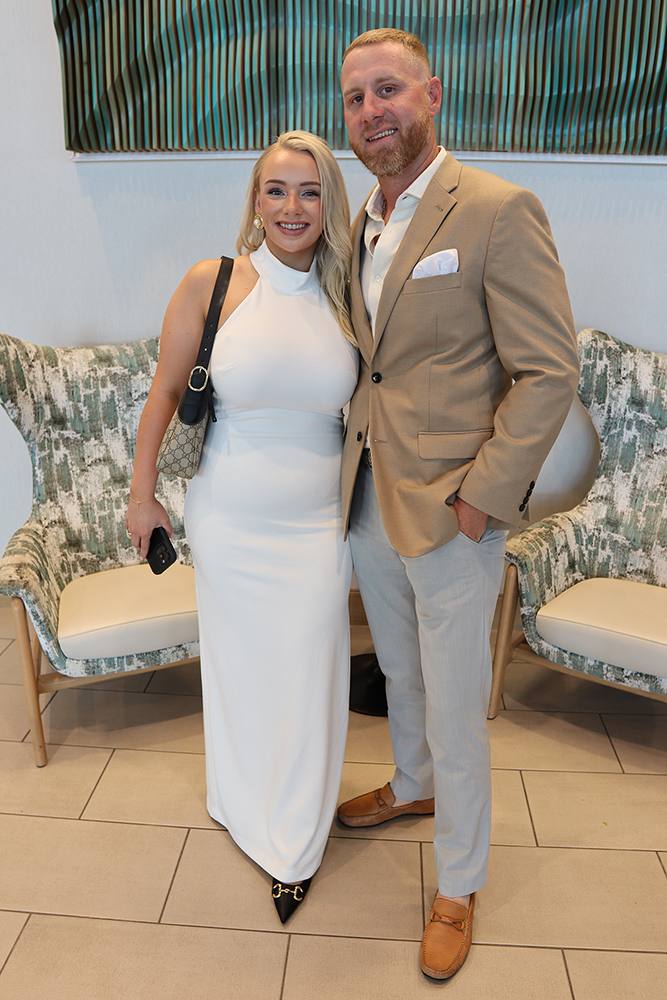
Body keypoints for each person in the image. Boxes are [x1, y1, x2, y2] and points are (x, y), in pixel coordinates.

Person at [336, 29, 580, 979]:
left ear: (431, 94)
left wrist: (481, 499)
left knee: (454, 702)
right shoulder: (360, 220)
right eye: (355, 99)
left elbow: (547, 370)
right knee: (398, 672)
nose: (371, 112)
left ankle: (458, 881)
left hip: (452, 508)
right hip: (367, 494)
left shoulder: (494, 208)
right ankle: (411, 786)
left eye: (387, 89)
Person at [125, 130, 358, 923]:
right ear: (255, 201)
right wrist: (141, 496)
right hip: (229, 518)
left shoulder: (351, 291)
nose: (292, 207)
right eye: (276, 190)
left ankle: (293, 845)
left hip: (320, 525)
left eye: (309, 191)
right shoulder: (214, 281)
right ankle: (235, 799)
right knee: (239, 670)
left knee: (308, 675)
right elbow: (163, 394)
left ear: (328, 203)